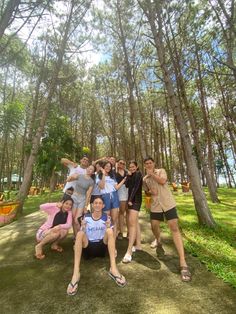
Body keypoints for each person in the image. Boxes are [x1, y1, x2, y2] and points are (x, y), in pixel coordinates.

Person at [143, 156, 191, 282]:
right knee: (154, 226)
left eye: (150, 163)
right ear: (144, 166)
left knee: (174, 227)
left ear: (153, 164)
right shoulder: (145, 179)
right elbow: (146, 192)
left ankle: (183, 263)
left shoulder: (161, 171)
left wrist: (152, 174)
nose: (148, 165)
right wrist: (149, 192)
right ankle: (158, 240)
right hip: (155, 206)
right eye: (146, 164)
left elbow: (163, 181)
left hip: (168, 203)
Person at [66, 196, 127, 296]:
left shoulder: (107, 218)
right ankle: (76, 273)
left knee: (110, 230)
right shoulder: (86, 217)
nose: (98, 204)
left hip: (101, 247)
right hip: (88, 247)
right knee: (80, 234)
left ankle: (113, 268)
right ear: (92, 205)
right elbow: (82, 233)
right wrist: (83, 227)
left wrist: (108, 227)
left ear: (103, 205)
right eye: (95, 203)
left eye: (100, 203)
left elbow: (110, 235)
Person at [35, 194, 74, 260]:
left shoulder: (69, 213)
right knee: (56, 233)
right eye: (66, 203)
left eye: (70, 204)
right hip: (42, 233)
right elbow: (41, 206)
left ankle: (54, 245)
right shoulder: (55, 209)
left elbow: (69, 224)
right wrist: (55, 204)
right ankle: (39, 246)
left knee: (65, 231)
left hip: (53, 232)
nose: (68, 206)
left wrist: (59, 226)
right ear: (62, 203)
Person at [97, 160, 126, 238]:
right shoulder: (98, 176)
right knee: (107, 219)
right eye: (106, 166)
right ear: (103, 167)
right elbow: (102, 186)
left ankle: (113, 240)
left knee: (114, 219)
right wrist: (103, 174)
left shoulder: (112, 176)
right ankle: (106, 239)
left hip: (114, 196)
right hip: (105, 197)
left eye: (109, 166)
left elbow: (116, 187)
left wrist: (124, 180)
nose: (108, 167)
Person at [122, 161, 142, 263]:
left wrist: (130, 200)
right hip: (131, 200)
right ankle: (138, 245)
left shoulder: (138, 174)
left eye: (133, 167)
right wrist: (128, 176)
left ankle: (129, 251)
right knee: (135, 223)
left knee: (131, 223)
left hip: (136, 200)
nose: (132, 168)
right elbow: (126, 185)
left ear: (137, 166)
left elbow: (135, 188)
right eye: (130, 167)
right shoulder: (132, 174)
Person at [66, 165, 95, 236]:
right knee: (72, 217)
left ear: (93, 172)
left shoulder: (91, 181)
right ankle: (75, 236)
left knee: (77, 219)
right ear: (87, 168)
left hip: (82, 199)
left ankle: (80, 236)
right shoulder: (80, 176)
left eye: (91, 169)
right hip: (74, 197)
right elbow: (69, 179)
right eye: (89, 168)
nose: (89, 170)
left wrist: (86, 205)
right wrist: (71, 176)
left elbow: (88, 194)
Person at [115, 159, 128, 240]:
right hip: (118, 192)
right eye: (120, 163)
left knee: (125, 212)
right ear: (117, 163)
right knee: (118, 212)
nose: (122, 165)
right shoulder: (114, 173)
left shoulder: (127, 173)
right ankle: (118, 231)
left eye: (123, 163)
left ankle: (124, 231)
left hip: (126, 193)